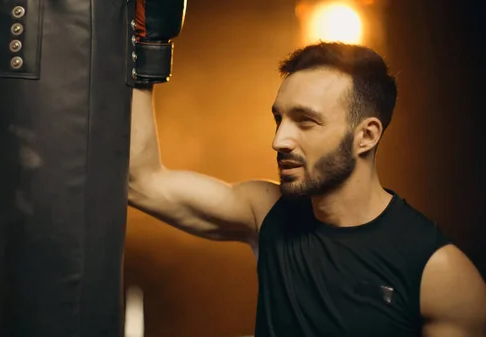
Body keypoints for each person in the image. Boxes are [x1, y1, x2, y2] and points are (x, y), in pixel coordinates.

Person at [127, 42, 486, 336]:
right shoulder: (265, 211)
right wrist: (150, 49)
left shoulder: (439, 273)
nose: (279, 140)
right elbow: (139, 181)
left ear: (367, 135)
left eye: (306, 122)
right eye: (279, 119)